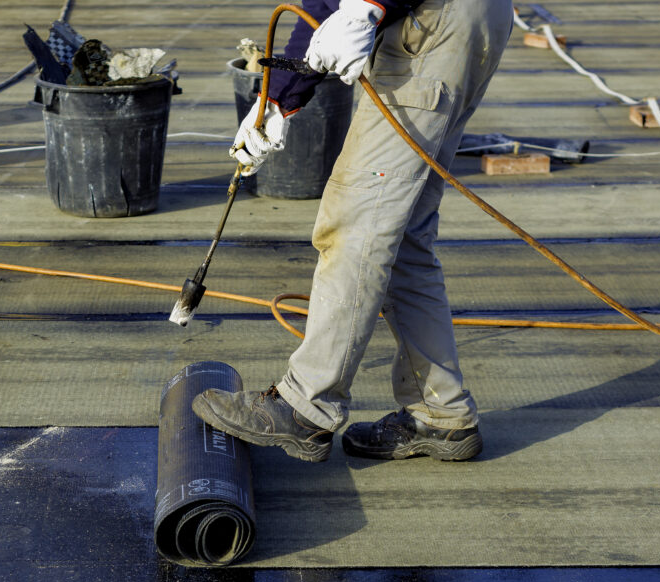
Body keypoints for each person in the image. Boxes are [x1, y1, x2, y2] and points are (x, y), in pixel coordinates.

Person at [193, 0, 513, 463]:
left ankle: (306, 406)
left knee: (355, 220)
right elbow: (322, 6)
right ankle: (440, 412)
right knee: (401, 234)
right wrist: (279, 99)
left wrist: (369, 4)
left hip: (435, 20)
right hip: (470, 17)